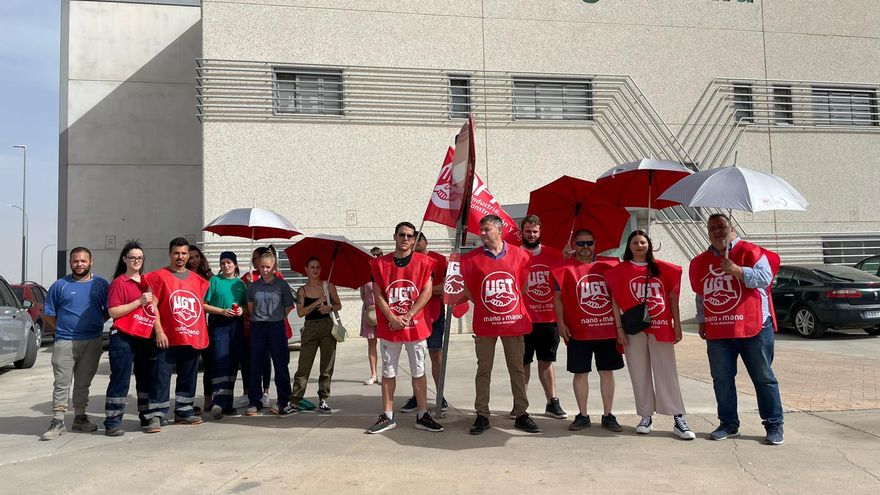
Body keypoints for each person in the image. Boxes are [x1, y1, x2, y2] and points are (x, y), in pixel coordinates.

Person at [691, 213, 784, 445]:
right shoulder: (701, 261)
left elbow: (765, 278)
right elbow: (702, 294)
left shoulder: (752, 252)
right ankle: (728, 424)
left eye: (722, 227)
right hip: (719, 331)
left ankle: (774, 424)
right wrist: (702, 320)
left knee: (763, 378)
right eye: (712, 228)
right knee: (721, 379)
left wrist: (737, 270)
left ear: (732, 229)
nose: (717, 231)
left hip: (754, 327)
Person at [605, 230, 695, 440]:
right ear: (629, 246)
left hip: (661, 325)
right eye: (635, 242)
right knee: (639, 372)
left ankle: (678, 417)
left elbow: (672, 298)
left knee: (667, 371)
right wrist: (619, 329)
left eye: (643, 242)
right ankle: (646, 415)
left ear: (649, 245)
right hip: (633, 328)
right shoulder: (620, 271)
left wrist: (677, 325)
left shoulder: (663, 268)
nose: (639, 246)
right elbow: (615, 301)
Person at [460, 215, 539, 435]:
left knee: (517, 368)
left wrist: (506, 307)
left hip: (513, 323)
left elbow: (521, 288)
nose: (482, 233)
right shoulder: (471, 259)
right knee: (484, 369)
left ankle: (521, 413)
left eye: (486, 229)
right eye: (481, 229)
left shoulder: (521, 255)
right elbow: (469, 290)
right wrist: (488, 307)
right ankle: (482, 414)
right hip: (486, 323)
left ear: (499, 230)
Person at [365, 222, 444, 434]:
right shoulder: (380, 264)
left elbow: (427, 291)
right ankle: (388, 415)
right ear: (395, 236)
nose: (406, 239)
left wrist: (408, 315)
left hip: (415, 326)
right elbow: (378, 294)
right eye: (402, 234)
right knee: (388, 371)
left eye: (410, 236)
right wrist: (391, 316)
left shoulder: (424, 262)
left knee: (419, 370)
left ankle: (422, 414)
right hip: (390, 326)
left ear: (414, 239)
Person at [552, 230, 623, 432]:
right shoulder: (563, 268)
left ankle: (608, 415)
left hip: (606, 329)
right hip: (578, 330)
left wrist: (620, 327)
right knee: (580, 373)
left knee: (606, 372)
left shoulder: (610, 265)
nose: (585, 247)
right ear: (574, 244)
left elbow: (618, 296)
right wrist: (560, 322)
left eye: (589, 243)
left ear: (595, 243)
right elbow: (557, 298)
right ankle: (582, 415)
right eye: (580, 243)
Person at [141, 237, 212, 432]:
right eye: (176, 253)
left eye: (183, 253)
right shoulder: (158, 276)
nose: (180, 257)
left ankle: (184, 410)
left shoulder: (198, 281)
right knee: (160, 376)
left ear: (188, 255)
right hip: (167, 338)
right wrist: (159, 331)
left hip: (190, 336)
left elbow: (200, 307)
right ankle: (156, 414)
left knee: (189, 375)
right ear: (170, 254)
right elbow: (152, 306)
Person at [40, 247, 110, 440]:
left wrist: (96, 323)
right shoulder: (59, 285)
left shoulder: (101, 284)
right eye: (75, 261)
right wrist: (63, 329)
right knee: (62, 382)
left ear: (91, 262)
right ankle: (57, 421)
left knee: (83, 382)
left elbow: (108, 310)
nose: (79, 264)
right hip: (65, 341)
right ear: (70, 262)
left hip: (92, 340)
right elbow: (49, 314)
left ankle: (80, 418)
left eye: (83, 261)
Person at [103, 241, 158, 436]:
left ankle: (147, 416)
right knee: (120, 378)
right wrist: (139, 301)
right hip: (123, 336)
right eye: (132, 257)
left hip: (144, 336)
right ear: (125, 259)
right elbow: (114, 312)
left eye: (140, 258)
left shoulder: (147, 282)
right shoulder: (119, 282)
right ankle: (113, 422)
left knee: (146, 378)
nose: (136, 261)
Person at [519, 215, 566, 420]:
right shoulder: (514, 254)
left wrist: (567, 257)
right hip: (522, 319)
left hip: (548, 319)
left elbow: (564, 282)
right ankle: (520, 404)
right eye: (528, 231)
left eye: (535, 231)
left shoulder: (554, 254)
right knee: (523, 363)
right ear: (522, 232)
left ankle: (552, 402)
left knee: (546, 361)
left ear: (540, 232)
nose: (531, 235)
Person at [399, 233, 449, 413]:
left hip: (435, 313)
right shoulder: (406, 261)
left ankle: (440, 395)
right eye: (413, 238)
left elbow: (445, 287)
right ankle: (417, 395)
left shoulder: (439, 260)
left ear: (426, 241)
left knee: (436, 354)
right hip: (414, 315)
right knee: (416, 356)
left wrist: (424, 291)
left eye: (419, 238)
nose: (415, 241)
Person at [245, 250, 296, 416]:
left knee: (280, 364)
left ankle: (283, 400)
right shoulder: (253, 286)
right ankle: (255, 401)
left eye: (268, 267)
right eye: (262, 267)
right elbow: (250, 306)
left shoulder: (282, 285)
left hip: (276, 327)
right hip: (258, 327)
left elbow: (289, 306)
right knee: (255, 365)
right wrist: (259, 317)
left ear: (274, 267)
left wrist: (276, 316)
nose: (265, 270)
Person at [291, 257, 342, 414]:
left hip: (327, 327)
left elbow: (338, 305)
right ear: (306, 269)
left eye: (318, 267)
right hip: (310, 328)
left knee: (327, 366)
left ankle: (323, 399)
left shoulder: (328, 286)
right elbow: (300, 313)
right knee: (303, 367)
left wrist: (329, 308)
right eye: (312, 267)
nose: (315, 270)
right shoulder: (302, 290)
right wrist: (317, 301)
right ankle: (295, 401)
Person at [204, 251, 247, 420]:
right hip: (219, 323)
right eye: (223, 263)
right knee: (220, 360)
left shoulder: (241, 284)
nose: (226, 265)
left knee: (232, 363)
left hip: (236, 325)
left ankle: (228, 404)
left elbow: (246, 305)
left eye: (229, 262)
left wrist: (242, 310)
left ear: (235, 265)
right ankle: (218, 402)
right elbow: (203, 304)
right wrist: (221, 311)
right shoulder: (214, 281)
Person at [234, 247, 273, 409]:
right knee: (246, 360)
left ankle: (265, 392)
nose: (253, 261)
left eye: (255, 257)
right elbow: (242, 299)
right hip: (247, 326)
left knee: (265, 359)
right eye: (253, 258)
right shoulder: (247, 277)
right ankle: (247, 392)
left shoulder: (274, 276)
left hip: (266, 326)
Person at [187, 244, 214, 412]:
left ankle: (208, 400)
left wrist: (209, 270)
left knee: (209, 365)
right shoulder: (185, 275)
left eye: (197, 256)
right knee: (190, 366)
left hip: (205, 325)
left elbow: (216, 288)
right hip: (190, 326)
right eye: (191, 257)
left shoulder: (207, 275)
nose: (194, 260)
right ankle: (187, 402)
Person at [360, 247, 383, 385]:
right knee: (371, 343)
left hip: (383, 312)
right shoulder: (365, 276)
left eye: (378, 256)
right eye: (372, 256)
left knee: (386, 344)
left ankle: (385, 373)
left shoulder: (384, 274)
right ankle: (373, 374)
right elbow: (363, 295)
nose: (375, 258)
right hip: (369, 312)